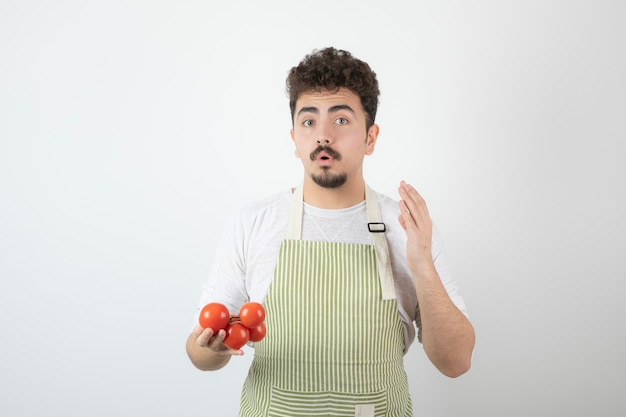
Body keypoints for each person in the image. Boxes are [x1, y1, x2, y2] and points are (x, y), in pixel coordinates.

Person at [186, 46, 475, 416]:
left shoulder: (407, 228)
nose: (323, 135)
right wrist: (209, 349)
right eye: (309, 122)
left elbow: (456, 362)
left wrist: (422, 266)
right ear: (294, 139)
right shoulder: (252, 222)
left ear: (371, 137)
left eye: (340, 120)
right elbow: (199, 353)